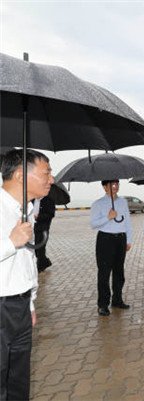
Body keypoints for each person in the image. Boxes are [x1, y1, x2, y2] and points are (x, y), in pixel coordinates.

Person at [0, 149, 53, 400]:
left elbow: (27, 261)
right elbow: (14, 247)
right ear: (21, 175)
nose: (51, 179)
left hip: (20, 307)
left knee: (18, 381)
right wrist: (11, 242)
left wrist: (30, 302)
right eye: (46, 173)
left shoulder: (26, 210)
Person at [90, 180, 133, 316]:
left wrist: (129, 240)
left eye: (117, 184)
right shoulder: (98, 204)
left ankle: (117, 299)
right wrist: (108, 217)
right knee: (104, 273)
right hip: (105, 239)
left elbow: (127, 221)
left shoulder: (123, 202)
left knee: (119, 272)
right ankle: (103, 304)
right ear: (104, 187)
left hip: (121, 238)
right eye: (111, 184)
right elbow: (93, 224)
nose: (115, 187)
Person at [33, 196, 56, 272]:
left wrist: (38, 217)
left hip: (43, 228)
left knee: (40, 248)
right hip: (32, 227)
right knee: (34, 248)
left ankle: (40, 266)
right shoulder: (31, 199)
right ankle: (45, 262)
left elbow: (51, 214)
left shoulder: (48, 200)